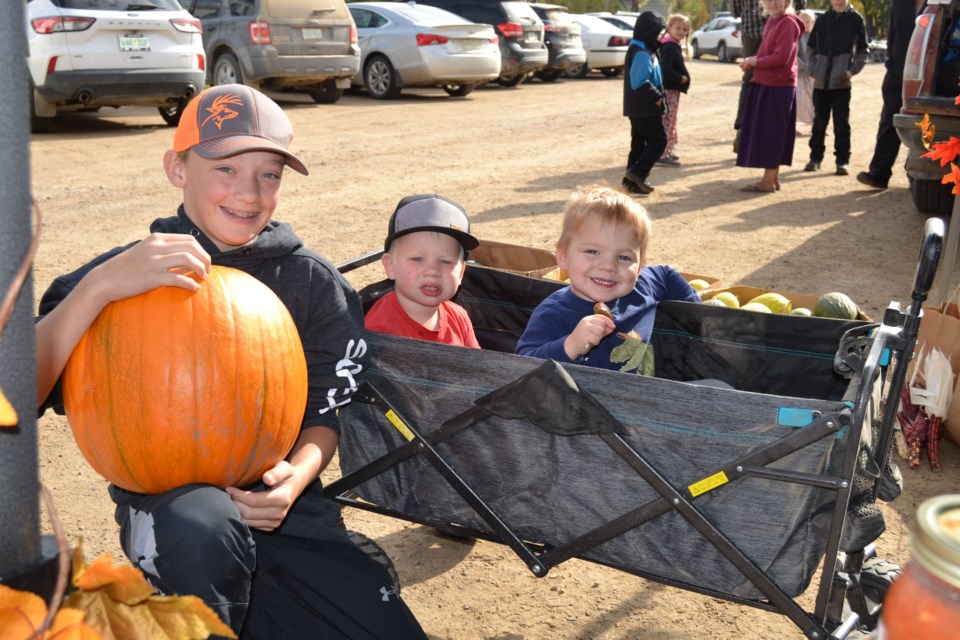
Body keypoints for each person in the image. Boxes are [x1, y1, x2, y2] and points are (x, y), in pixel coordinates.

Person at [34, 84, 428, 639]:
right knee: (202, 527)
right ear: (178, 168)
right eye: (225, 167)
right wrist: (95, 291)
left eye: (269, 174)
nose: (249, 192)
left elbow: (323, 415)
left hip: (283, 510)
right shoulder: (119, 273)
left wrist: (295, 480)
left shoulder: (310, 281)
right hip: (171, 510)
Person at [516, 183, 699, 373]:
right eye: (593, 251)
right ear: (563, 256)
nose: (608, 266)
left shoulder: (643, 287)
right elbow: (522, 365)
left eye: (624, 257)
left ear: (639, 266)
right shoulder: (553, 313)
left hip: (650, 394)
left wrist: (697, 314)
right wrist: (570, 345)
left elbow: (665, 274)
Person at [365, 193, 481, 348]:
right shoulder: (377, 331)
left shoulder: (459, 317)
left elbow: (477, 369)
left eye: (445, 261)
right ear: (390, 265)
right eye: (417, 259)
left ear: (461, 273)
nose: (433, 271)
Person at [736, 0, 804, 192]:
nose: (772, 3)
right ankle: (771, 178)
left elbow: (781, 57)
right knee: (770, 132)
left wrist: (754, 61)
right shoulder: (773, 21)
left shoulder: (788, 22)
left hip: (778, 84)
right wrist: (752, 62)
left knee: (773, 134)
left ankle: (767, 182)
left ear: (787, 1)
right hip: (767, 81)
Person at [857, 0, 927, 189]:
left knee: (924, 125)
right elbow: (892, 35)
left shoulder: (942, 3)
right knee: (889, 120)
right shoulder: (900, 3)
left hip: (931, 76)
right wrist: (892, 63)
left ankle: (917, 176)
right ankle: (879, 174)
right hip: (898, 73)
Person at [802, 0, 868, 175]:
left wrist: (851, 70)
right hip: (821, 82)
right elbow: (811, 48)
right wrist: (814, 68)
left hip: (841, 83)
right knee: (819, 123)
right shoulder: (823, 19)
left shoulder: (856, 20)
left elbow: (863, 50)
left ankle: (842, 161)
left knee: (841, 123)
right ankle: (815, 158)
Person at [622, 11, 668, 195]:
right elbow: (639, 82)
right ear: (649, 31)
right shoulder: (641, 51)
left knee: (639, 143)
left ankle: (629, 184)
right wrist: (657, 97)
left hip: (639, 108)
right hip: (645, 108)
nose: (659, 36)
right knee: (659, 140)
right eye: (657, 32)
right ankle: (637, 173)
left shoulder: (644, 47)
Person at [658, 14, 692, 166]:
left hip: (671, 90)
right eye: (678, 28)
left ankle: (667, 150)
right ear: (669, 28)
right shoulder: (669, 46)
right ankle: (662, 154)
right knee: (667, 120)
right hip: (669, 90)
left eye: (684, 29)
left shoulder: (671, 45)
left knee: (670, 119)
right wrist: (680, 78)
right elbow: (666, 70)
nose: (681, 31)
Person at [796, 10, 816, 134]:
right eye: (803, 22)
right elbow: (794, 55)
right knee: (800, 101)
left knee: (815, 101)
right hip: (800, 75)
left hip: (814, 75)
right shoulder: (797, 37)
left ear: (813, 22)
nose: (806, 24)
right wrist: (805, 67)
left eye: (808, 22)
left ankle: (817, 125)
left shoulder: (816, 36)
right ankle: (794, 125)